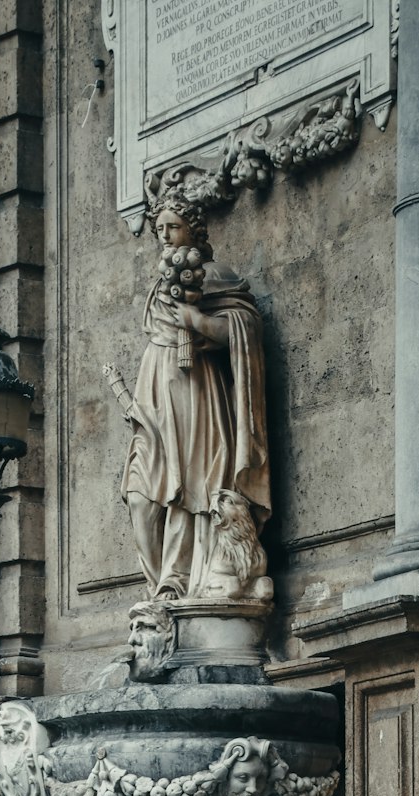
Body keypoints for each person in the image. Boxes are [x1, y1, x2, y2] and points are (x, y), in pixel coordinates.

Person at [120, 189, 271, 601]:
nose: (166, 236)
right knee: (140, 496)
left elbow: (243, 331)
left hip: (197, 393)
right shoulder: (159, 285)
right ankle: (158, 585)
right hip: (153, 394)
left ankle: (179, 581)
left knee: (189, 487)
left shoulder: (215, 277)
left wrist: (197, 321)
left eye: (174, 227)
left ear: (193, 230)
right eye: (160, 229)